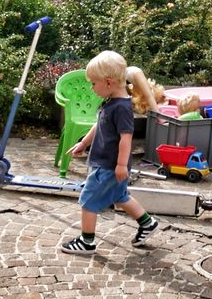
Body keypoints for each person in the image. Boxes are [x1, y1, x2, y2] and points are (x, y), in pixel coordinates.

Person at [60, 50, 159, 255]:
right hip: (110, 165)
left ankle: (87, 242)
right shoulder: (111, 101)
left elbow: (126, 138)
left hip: (110, 166)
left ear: (109, 82)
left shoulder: (122, 108)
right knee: (120, 196)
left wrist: (121, 165)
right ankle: (147, 223)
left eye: (93, 83)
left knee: (88, 200)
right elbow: (99, 124)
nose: (91, 87)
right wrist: (84, 143)